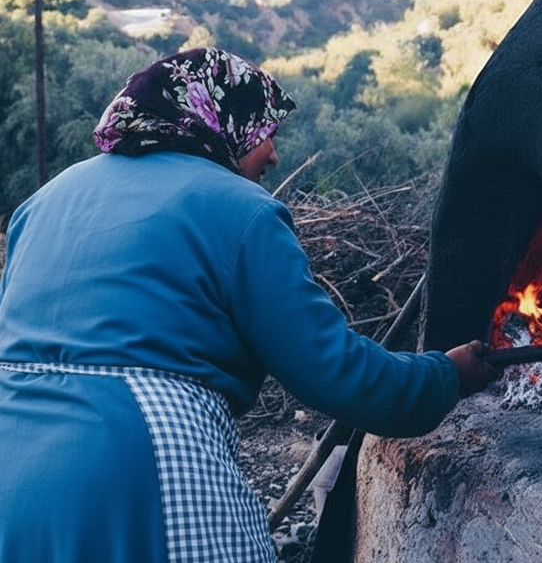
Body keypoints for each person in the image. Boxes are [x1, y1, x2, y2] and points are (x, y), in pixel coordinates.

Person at [0, 47, 497, 563]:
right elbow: (335, 372)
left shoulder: (44, 201)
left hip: (11, 471)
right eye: (267, 134)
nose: (274, 156)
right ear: (220, 120)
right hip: (135, 468)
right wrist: (445, 376)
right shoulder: (240, 209)